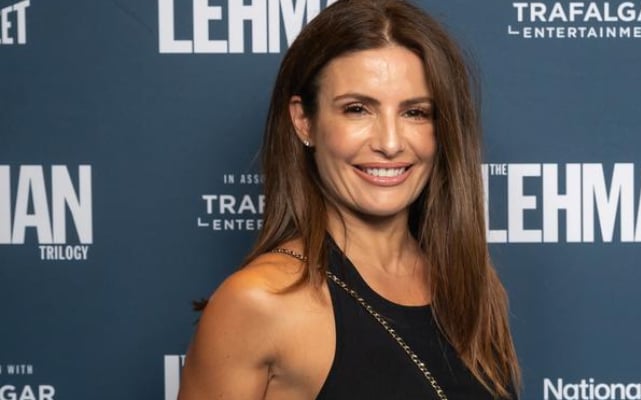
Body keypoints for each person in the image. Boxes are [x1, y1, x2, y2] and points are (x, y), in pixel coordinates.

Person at [177, 0, 520, 399]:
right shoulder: (259, 302)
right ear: (304, 121)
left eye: (415, 112)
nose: (390, 143)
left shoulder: (467, 282)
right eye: (357, 109)